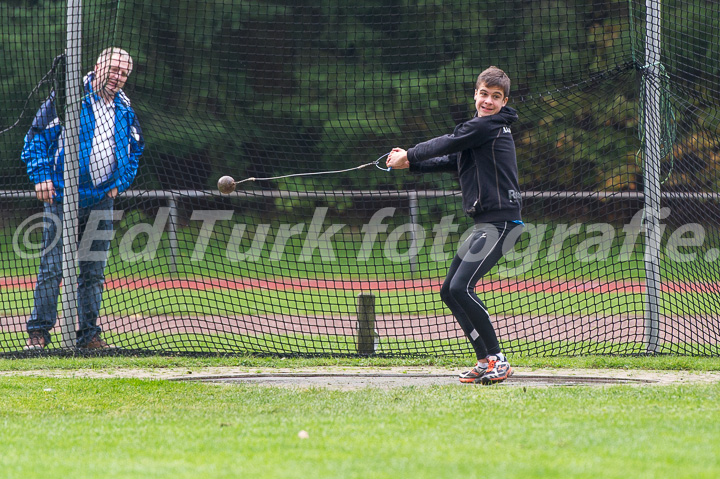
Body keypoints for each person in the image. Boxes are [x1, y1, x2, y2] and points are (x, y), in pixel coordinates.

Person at [386, 66, 522, 384]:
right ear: (476, 94)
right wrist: (411, 163)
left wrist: (410, 153)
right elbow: (452, 160)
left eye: (496, 97)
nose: (488, 101)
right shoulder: (483, 131)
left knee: (461, 287)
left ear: (504, 101)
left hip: (501, 223)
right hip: (485, 224)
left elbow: (448, 143)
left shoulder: (487, 126)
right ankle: (484, 359)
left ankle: (498, 359)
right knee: (449, 290)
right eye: (484, 94)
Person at [21, 47, 144, 350]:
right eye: (114, 70)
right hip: (63, 196)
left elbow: (135, 148)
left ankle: (88, 335)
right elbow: (36, 137)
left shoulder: (125, 108)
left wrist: (120, 182)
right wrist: (41, 177)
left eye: (124, 73)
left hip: (102, 198)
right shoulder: (68, 98)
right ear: (98, 66)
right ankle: (39, 334)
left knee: (93, 270)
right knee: (53, 266)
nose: (118, 77)